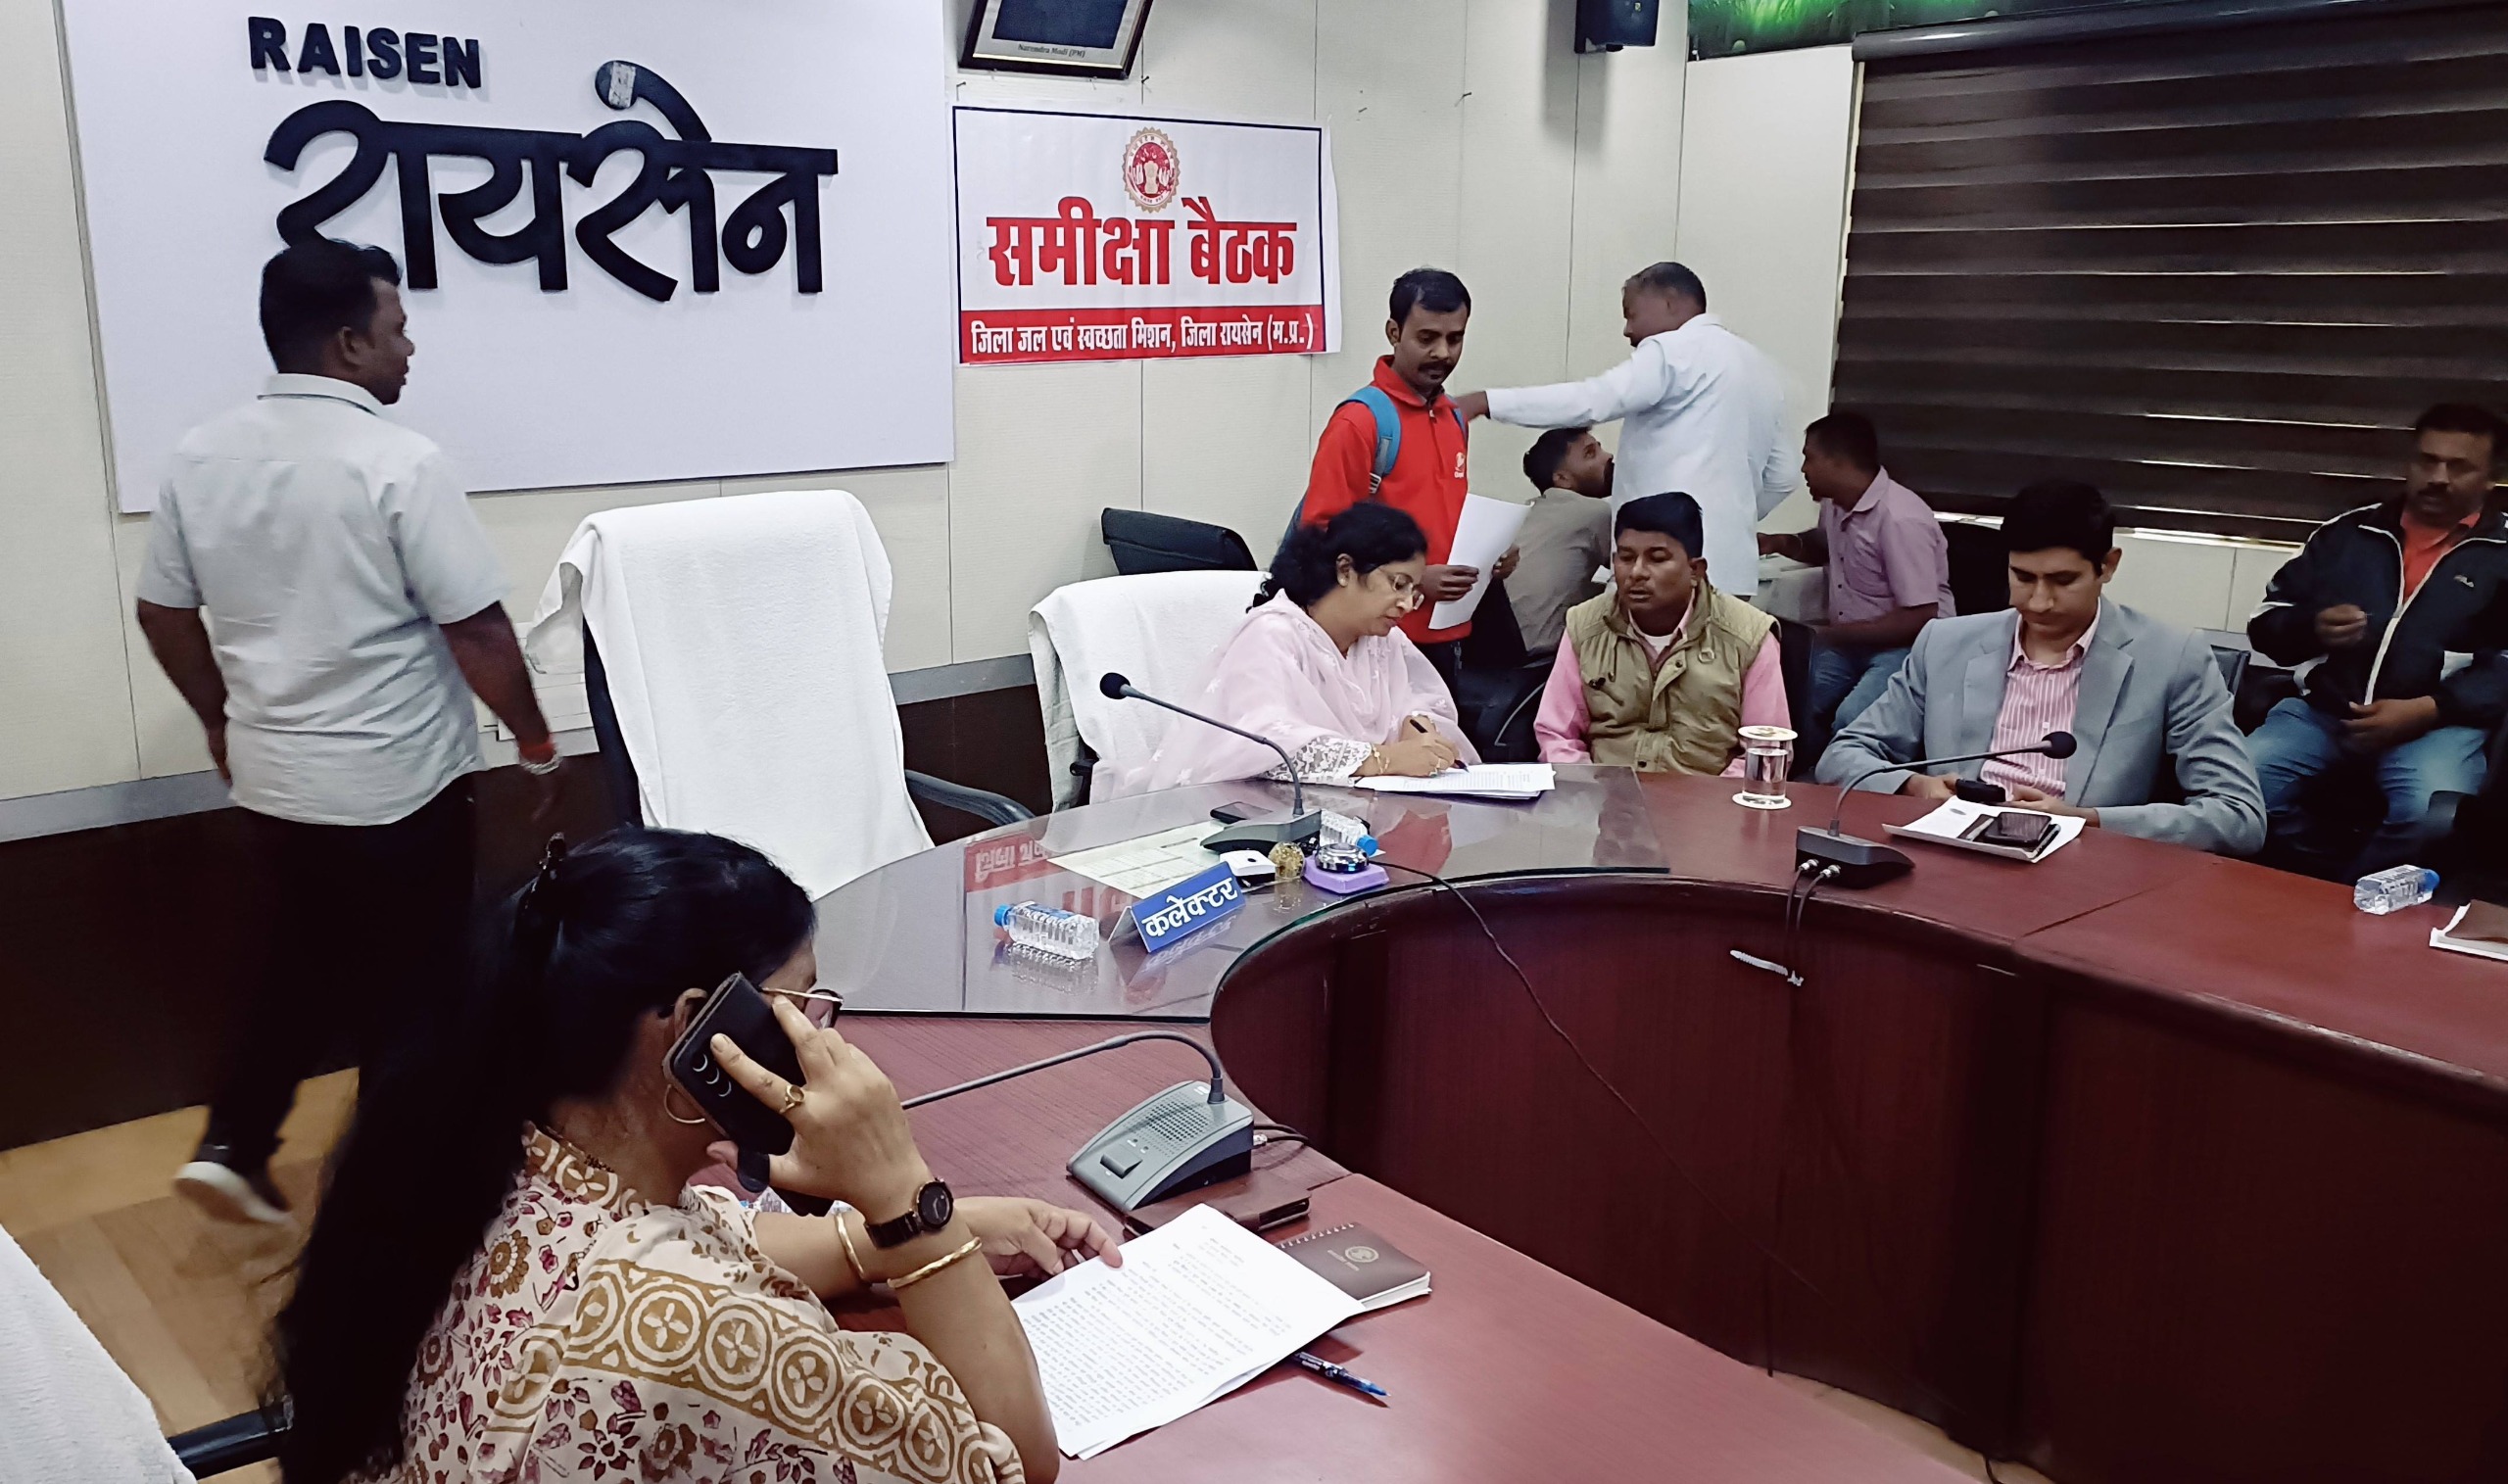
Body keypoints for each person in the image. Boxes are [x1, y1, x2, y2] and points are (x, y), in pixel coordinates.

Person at [274, 827, 1113, 1484]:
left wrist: (898, 1240)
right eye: (800, 1007)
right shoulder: (697, 1334)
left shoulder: (497, 1161)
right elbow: (1012, 1456)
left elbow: (722, 1232)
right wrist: (907, 1195)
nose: (823, 1039)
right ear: (693, 1031)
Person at [136, 238, 556, 1227]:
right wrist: (536, 742)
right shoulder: (397, 461)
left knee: (297, 957)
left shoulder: (201, 456)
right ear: (348, 343)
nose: (409, 348)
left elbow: (162, 610)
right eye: (396, 329)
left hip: (275, 782)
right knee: (419, 995)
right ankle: (394, 1202)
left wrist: (217, 715)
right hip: (395, 786)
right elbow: (478, 630)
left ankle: (236, 1141)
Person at [1818, 480, 2265, 855]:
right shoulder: (1946, 644)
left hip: (2084, 872)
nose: (2039, 602)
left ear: (2108, 566)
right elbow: (1843, 756)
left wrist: (2087, 820)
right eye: (2023, 577)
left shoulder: (2172, 657)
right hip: (1950, 859)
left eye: (2063, 581)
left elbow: (2238, 816)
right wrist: (1915, 786)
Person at [2245, 404, 2508, 877]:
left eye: (2459, 466)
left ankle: (2355, 897)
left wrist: (2430, 709)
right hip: (2324, 714)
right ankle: (2312, 879)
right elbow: (2268, 621)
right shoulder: (2348, 534)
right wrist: (2311, 627)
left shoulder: (2502, 553)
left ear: (2492, 477)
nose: (2438, 478)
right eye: (2428, 461)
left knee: (2431, 818)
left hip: (2436, 726)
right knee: (2239, 786)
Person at [1454, 262, 1791, 598]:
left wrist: (1487, 402)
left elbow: (1595, 399)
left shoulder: (1674, 349)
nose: (1628, 331)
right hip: (1734, 573)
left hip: (1662, 569)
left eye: (1631, 314)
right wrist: (1725, 521)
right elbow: (1784, 475)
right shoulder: (1761, 368)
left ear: (1669, 302)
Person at [1127, 503, 1478, 790]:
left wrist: (1416, 724)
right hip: (1253, 810)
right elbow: (1262, 744)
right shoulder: (1272, 634)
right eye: (1398, 584)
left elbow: (1421, 699)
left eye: (1414, 592)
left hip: (1357, 807)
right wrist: (1383, 758)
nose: (1406, 604)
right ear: (1345, 570)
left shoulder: (1384, 639)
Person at [1295, 267, 1512, 683]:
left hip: (1449, 635)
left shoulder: (1454, 418)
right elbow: (1321, 538)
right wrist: (1412, 580)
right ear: (1394, 333)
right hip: (1377, 641)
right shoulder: (1359, 423)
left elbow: (1445, 520)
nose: (1442, 353)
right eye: (1426, 338)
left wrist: (1489, 558)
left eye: (1455, 338)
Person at [1534, 492, 1790, 777]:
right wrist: (1593, 791)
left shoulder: (1748, 635)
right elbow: (1557, 735)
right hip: (1605, 795)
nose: (1637, 572)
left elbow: (1765, 752)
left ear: (1695, 570)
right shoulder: (1585, 626)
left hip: (1707, 799)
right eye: (1626, 558)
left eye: (1657, 559)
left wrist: (1713, 803)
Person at [1758, 411, 1954, 761]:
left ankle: (1855, 781)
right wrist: (1779, 542)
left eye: (1809, 458)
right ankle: (1801, 776)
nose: (1804, 469)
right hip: (1853, 643)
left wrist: (1828, 634)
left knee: (1854, 721)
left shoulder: (1900, 518)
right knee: (1787, 704)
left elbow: (1920, 617)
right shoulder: (1836, 505)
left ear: (1838, 460)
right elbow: (1829, 547)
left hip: (1907, 648)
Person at [1506, 426, 1616, 653]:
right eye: (1590, 453)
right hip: (1543, 651)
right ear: (1563, 479)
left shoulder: (1528, 511)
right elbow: (1633, 567)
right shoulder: (1594, 512)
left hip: (1499, 643)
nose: (1609, 456)